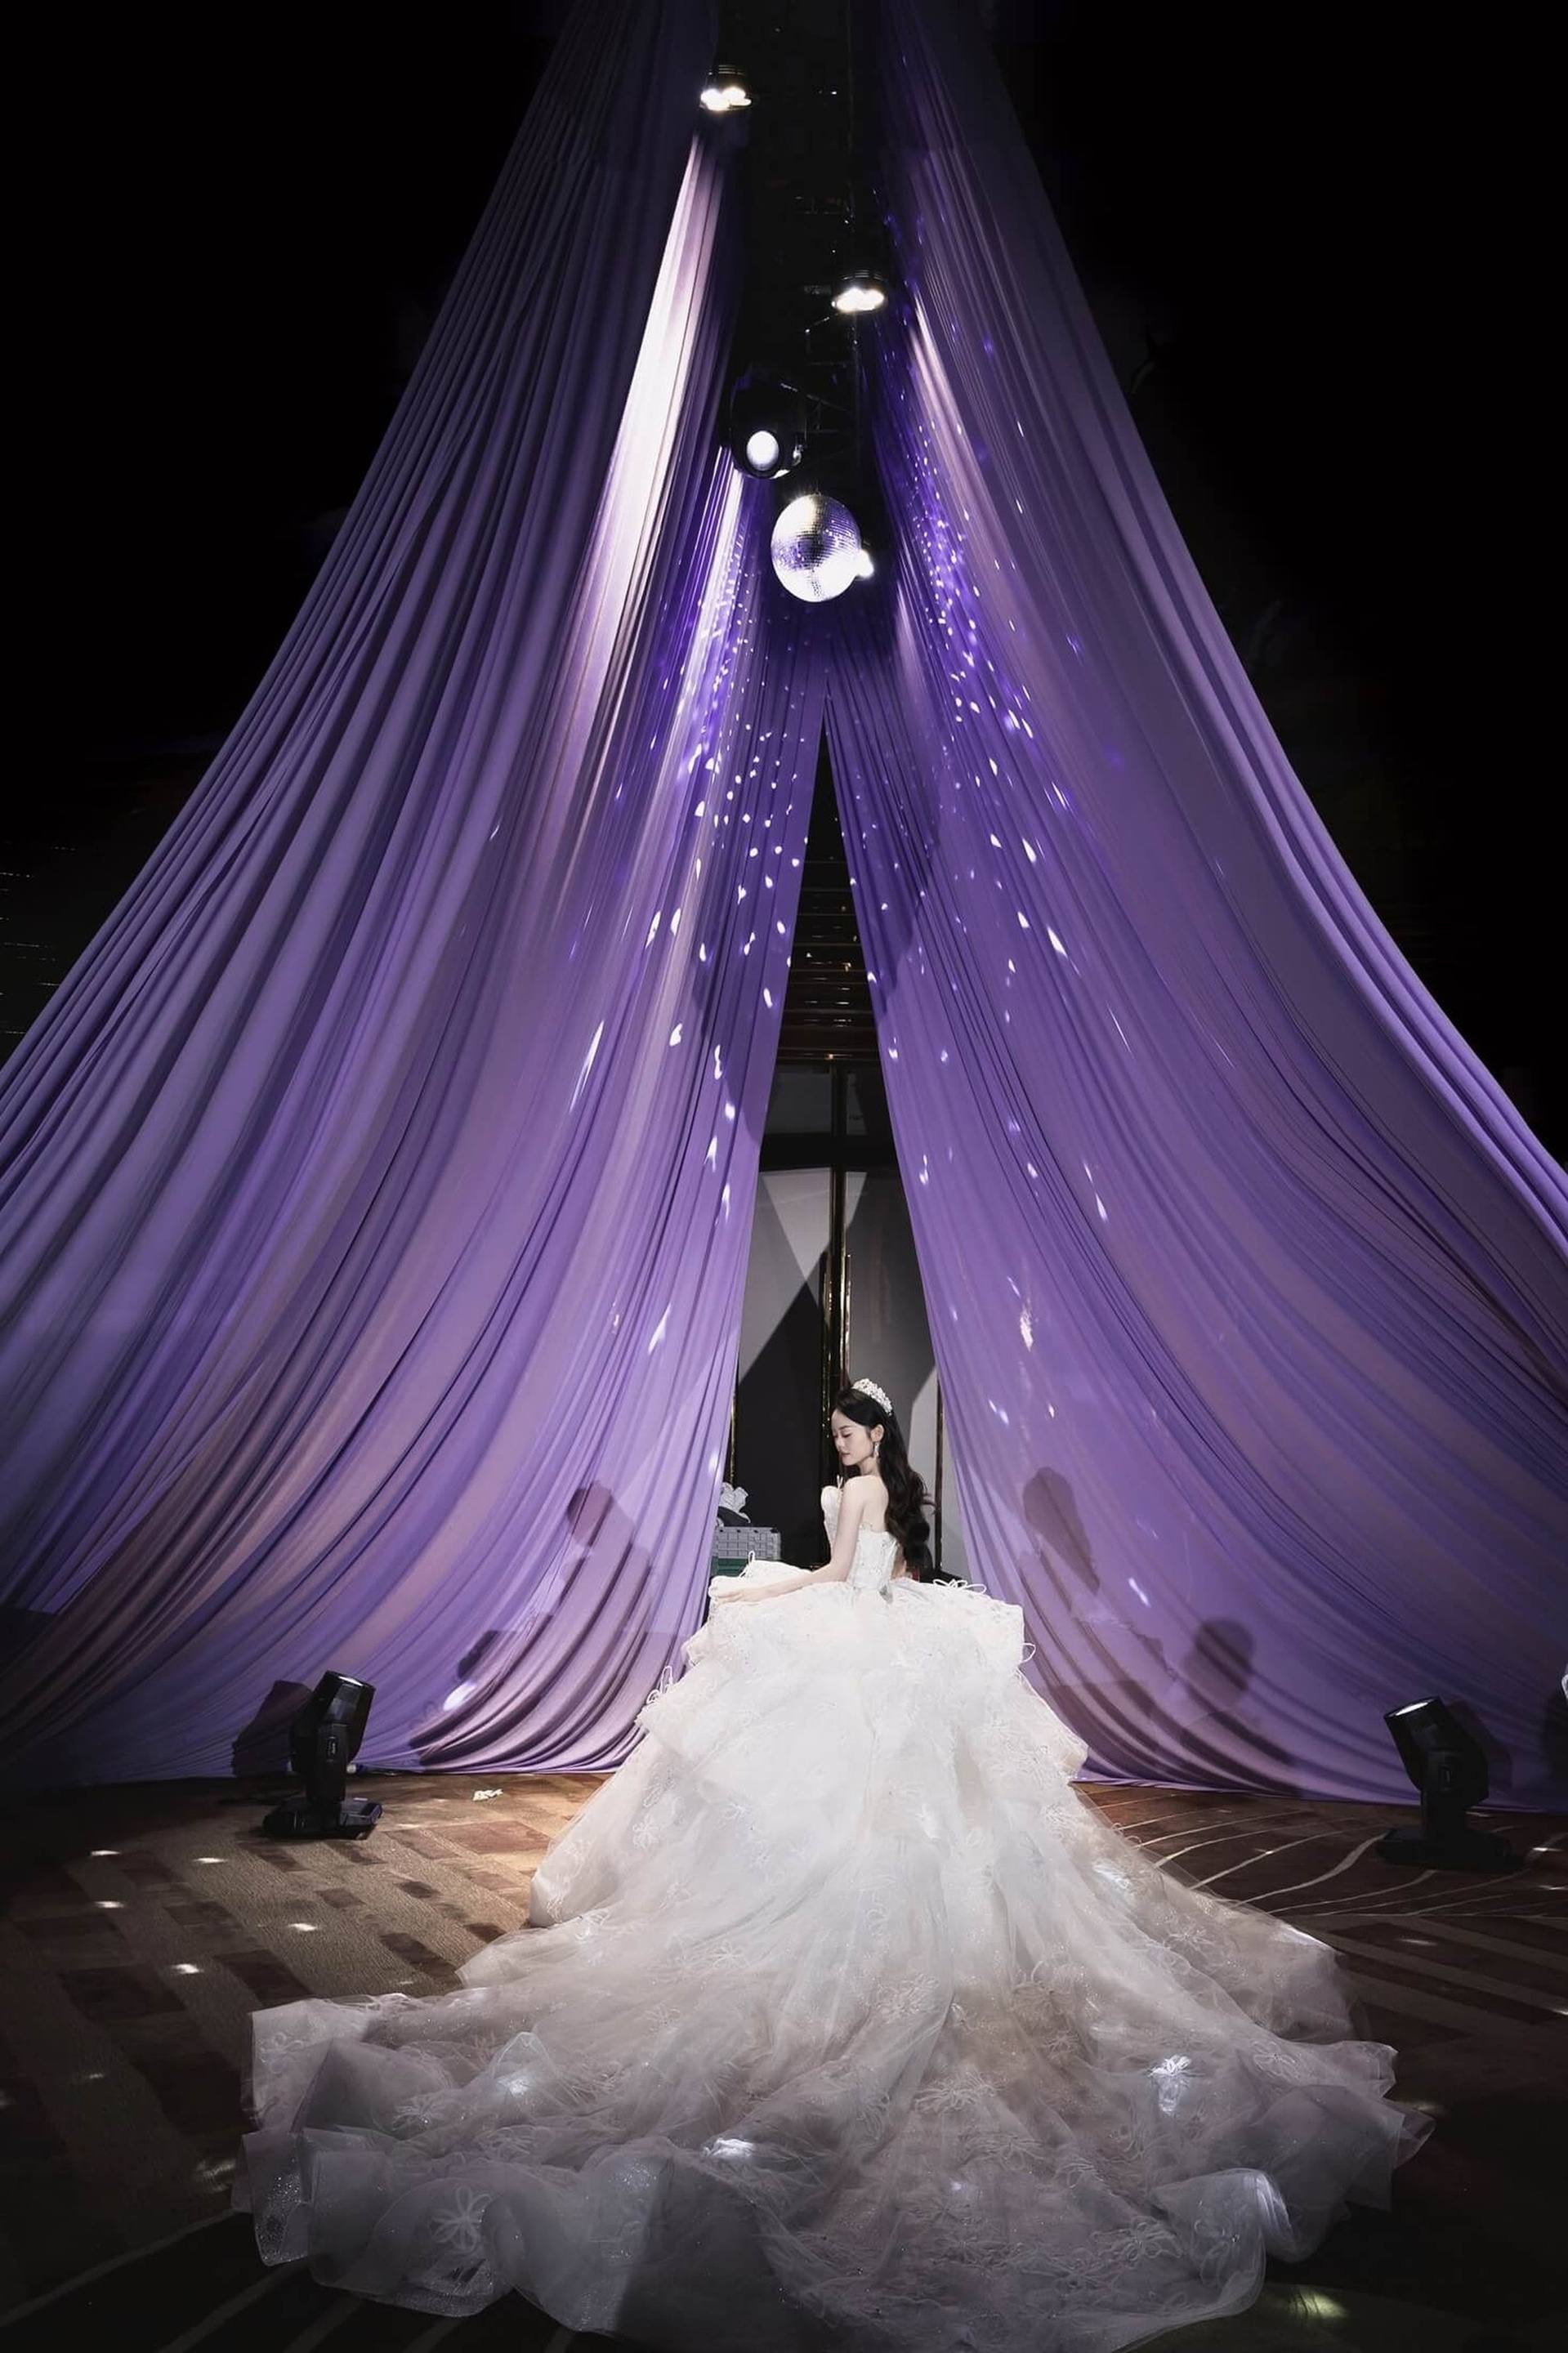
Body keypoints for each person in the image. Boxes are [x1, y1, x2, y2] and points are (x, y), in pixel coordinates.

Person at [239, 1377, 1431, 2351]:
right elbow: (888, 1578)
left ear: (873, 1436)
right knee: (882, 1799)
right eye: (843, 1431)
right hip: (883, 1634)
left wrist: (755, 1602)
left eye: (854, 1430)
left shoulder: (856, 1490)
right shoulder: (879, 1490)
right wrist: (854, 1600)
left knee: (834, 1786)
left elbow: (836, 1577)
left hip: (854, 1637)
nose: (846, 1443)